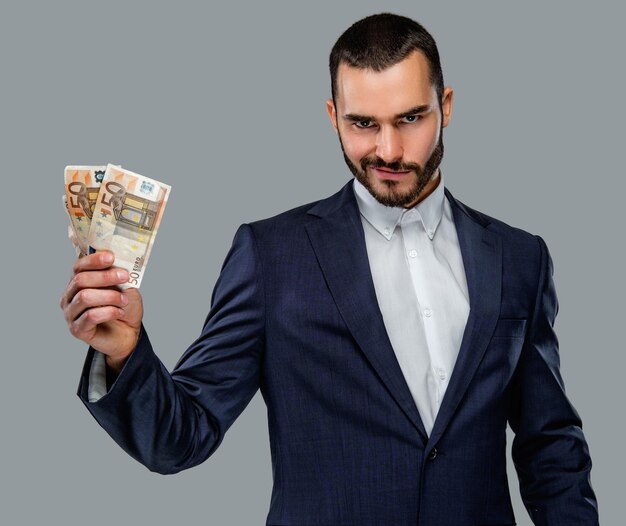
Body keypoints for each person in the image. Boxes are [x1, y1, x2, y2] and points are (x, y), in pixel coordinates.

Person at [60, 12, 599, 526]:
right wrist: (125, 352)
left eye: (411, 118)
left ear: (447, 105)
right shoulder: (270, 255)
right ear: (332, 117)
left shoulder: (519, 257)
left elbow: (550, 445)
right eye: (363, 123)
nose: (388, 150)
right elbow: (182, 437)